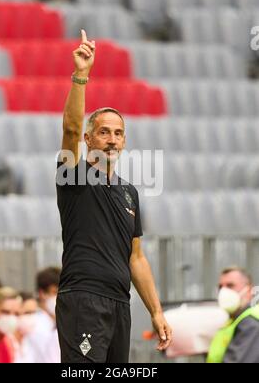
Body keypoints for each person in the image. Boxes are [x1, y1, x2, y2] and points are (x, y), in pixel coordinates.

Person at [56, 29, 172, 363]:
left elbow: (136, 258)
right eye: (104, 132)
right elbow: (70, 129)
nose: (112, 138)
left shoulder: (129, 192)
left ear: (124, 141)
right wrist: (81, 75)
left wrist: (156, 310)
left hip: (120, 304)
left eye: (118, 133)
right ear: (90, 140)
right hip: (83, 299)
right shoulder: (73, 175)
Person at [207, 266, 259, 363]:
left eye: (230, 285)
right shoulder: (236, 319)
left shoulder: (251, 323)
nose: (223, 291)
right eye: (220, 287)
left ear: (249, 290)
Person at [27, 267, 61, 363]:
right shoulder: (34, 323)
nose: (58, 296)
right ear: (42, 293)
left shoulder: (57, 322)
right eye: (55, 292)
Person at [13, 292, 38, 363]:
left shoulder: (29, 342)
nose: (32, 317)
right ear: (15, 313)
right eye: (27, 313)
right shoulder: (7, 342)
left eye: (34, 313)